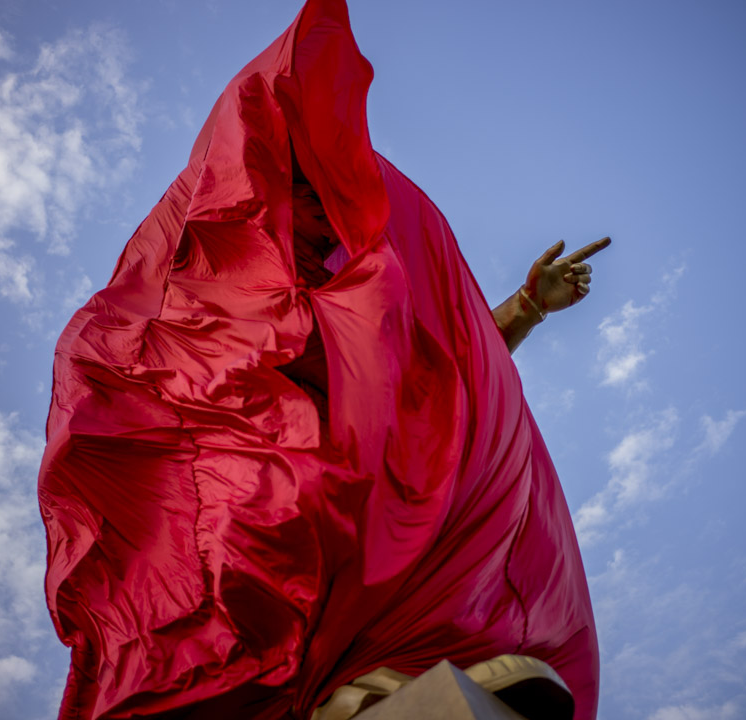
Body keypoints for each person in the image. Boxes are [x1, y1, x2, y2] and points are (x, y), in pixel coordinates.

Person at [38, 2, 604, 718]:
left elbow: (437, 367)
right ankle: (339, 689)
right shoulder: (216, 299)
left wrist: (525, 306)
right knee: (263, 526)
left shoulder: (363, 278)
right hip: (263, 479)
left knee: (377, 498)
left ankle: (376, 680)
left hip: (363, 509)